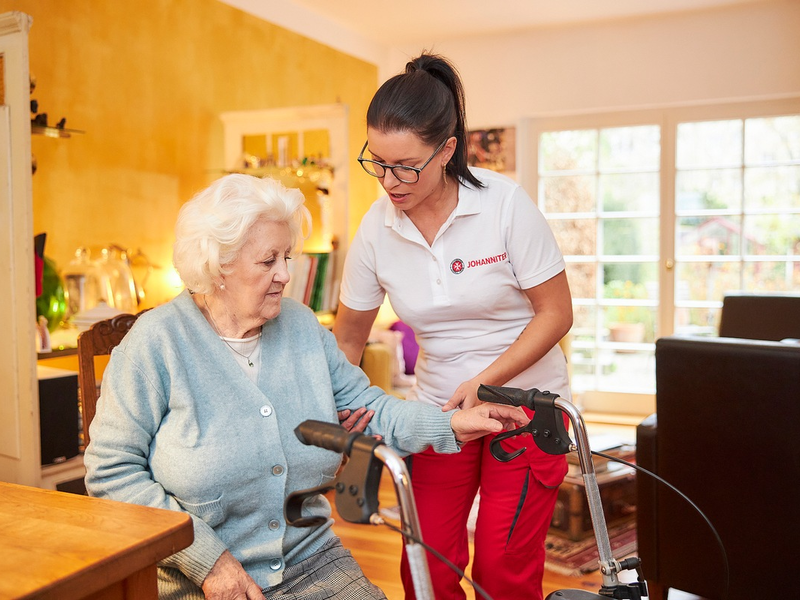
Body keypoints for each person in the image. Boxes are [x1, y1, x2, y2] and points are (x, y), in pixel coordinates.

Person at [83, 173, 530, 600]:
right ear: (217, 264)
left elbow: (371, 405)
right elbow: (112, 470)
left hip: (311, 560)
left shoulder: (300, 326)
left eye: (287, 258)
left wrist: (451, 422)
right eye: (267, 261)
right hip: (198, 579)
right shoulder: (157, 343)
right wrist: (208, 561)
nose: (285, 275)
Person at [333, 53, 574, 600]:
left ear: (446, 149)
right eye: (379, 162)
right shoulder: (376, 230)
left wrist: (483, 381)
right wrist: (341, 407)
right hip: (439, 416)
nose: (390, 181)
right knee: (427, 567)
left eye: (407, 166)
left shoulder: (505, 206)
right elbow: (347, 339)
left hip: (524, 406)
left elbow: (556, 313)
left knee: (501, 566)